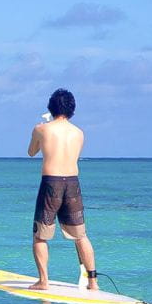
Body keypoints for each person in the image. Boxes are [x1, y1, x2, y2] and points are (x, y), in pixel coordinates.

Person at [27, 88, 98, 290]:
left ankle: (43, 281)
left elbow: (31, 152)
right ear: (71, 109)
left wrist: (39, 131)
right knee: (80, 235)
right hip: (72, 183)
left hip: (51, 183)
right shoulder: (79, 133)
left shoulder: (41, 129)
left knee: (40, 235)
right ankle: (93, 282)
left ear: (51, 107)